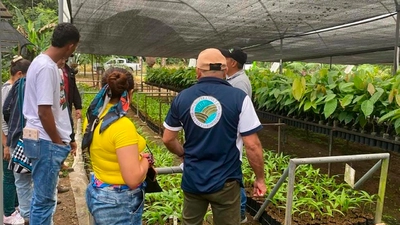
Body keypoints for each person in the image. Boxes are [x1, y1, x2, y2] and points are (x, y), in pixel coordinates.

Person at [162, 48, 266, 225]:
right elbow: (252, 145)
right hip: (226, 180)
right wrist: (260, 178)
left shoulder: (183, 98)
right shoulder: (239, 98)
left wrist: (183, 154)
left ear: (197, 71)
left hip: (193, 178)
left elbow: (168, 138)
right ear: (225, 70)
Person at [22, 22, 80, 225]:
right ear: (71, 46)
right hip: (46, 142)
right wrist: (57, 141)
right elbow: (44, 111)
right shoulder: (46, 67)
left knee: (42, 198)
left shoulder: (43, 63)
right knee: (44, 201)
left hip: (44, 140)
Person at [85, 67, 152, 225]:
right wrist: (146, 161)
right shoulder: (122, 126)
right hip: (120, 200)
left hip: (99, 191)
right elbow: (133, 179)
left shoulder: (94, 117)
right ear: (130, 93)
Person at [220, 47, 251, 222]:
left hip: (233, 137)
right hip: (231, 136)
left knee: (234, 174)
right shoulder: (233, 79)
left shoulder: (239, 83)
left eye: (225, 58)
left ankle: (239, 214)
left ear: (232, 62)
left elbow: (237, 111)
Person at [2, 56, 30, 225]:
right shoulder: (8, 89)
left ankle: (16, 207)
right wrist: (5, 144)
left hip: (10, 140)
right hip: (6, 140)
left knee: (15, 175)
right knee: (9, 176)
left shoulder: (15, 88)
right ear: (19, 74)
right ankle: (8, 213)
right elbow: (2, 119)